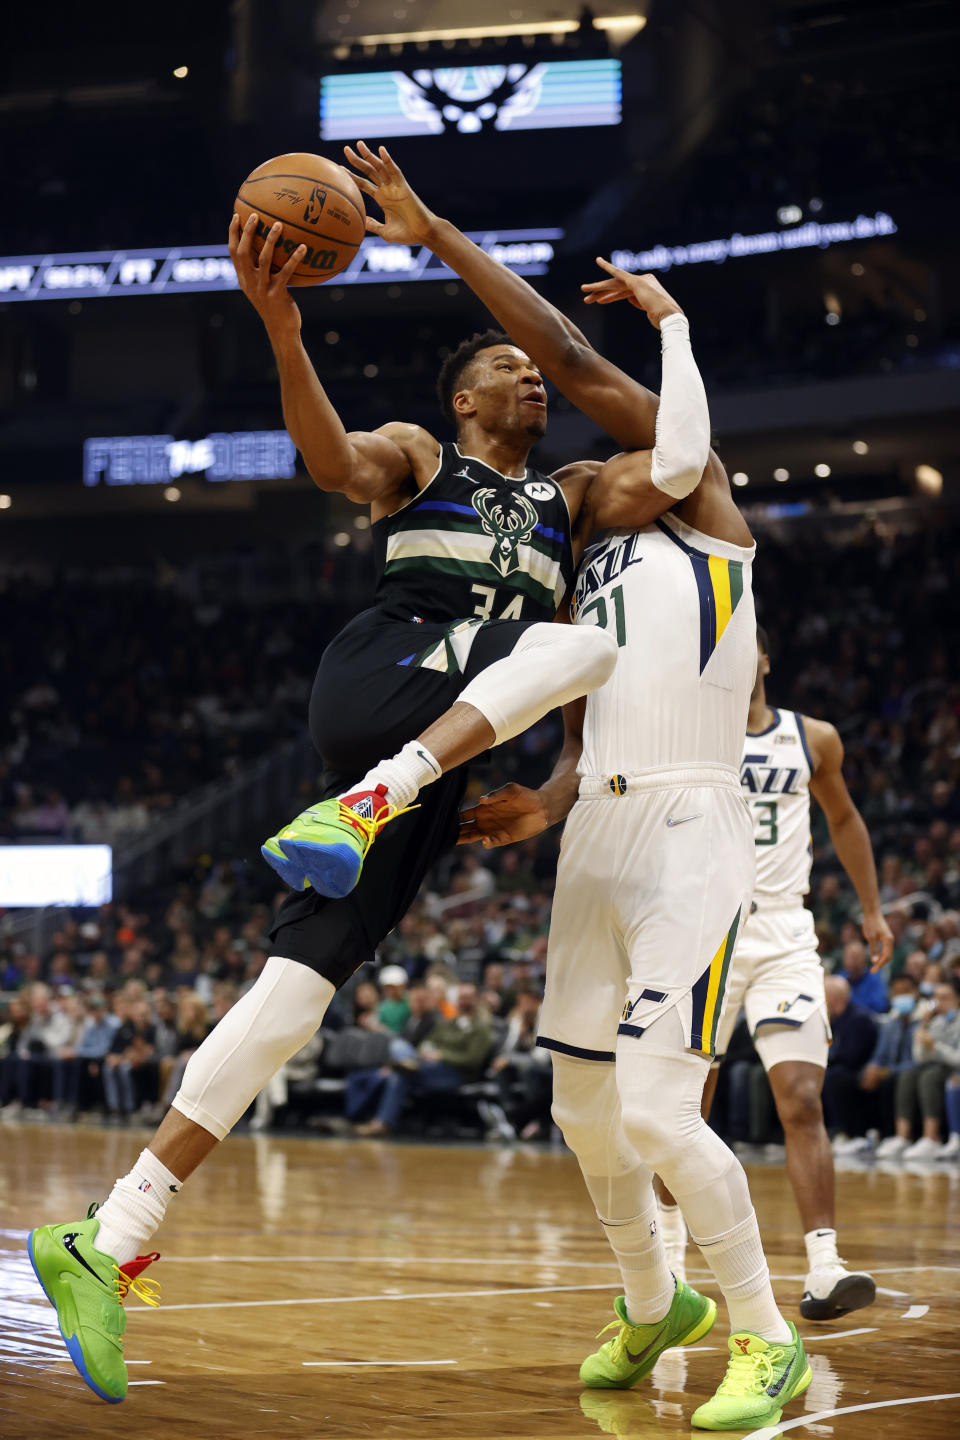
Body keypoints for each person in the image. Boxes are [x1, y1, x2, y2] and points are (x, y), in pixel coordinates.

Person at [28, 142, 703, 1405]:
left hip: (431, 770)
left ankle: (107, 1234)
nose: (531, 384)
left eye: (532, 374)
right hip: (380, 685)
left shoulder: (573, 498)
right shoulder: (420, 458)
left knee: (291, 1000)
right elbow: (332, 461)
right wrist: (282, 328)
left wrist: (554, 796)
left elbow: (667, 448)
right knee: (579, 639)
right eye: (507, 372)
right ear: (461, 402)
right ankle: (367, 796)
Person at [460, 269, 810, 1425]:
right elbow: (576, 739)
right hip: (600, 832)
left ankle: (765, 1338)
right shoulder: (576, 587)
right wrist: (547, 805)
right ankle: (653, 1301)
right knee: (579, 1108)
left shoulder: (702, 505)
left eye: (588, 462)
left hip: (691, 827)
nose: (576, 473)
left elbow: (564, 358)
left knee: (660, 1111)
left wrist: (667, 323)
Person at [655, 626, 893, 1320]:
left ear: (764, 656)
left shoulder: (812, 737)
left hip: (784, 930)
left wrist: (872, 911)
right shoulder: (688, 735)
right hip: (704, 931)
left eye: (746, 646)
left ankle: (825, 1266)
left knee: (800, 1098)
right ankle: (672, 1264)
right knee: (683, 1108)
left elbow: (844, 819)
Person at [828, 974, 919, 1151]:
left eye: (905, 991)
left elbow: (915, 1060)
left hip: (907, 1072)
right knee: (842, 1080)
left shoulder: (921, 1022)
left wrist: (886, 1071)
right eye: (896, 992)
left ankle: (893, 1136)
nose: (900, 996)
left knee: (890, 1082)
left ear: (916, 993)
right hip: (886, 1070)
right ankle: (853, 1134)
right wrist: (871, 1067)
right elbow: (878, 1054)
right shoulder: (891, 1023)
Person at [876, 976, 960, 1160]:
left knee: (929, 1076)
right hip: (941, 1066)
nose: (940, 1003)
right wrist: (924, 1027)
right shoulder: (937, 1021)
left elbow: (956, 1058)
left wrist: (935, 1047)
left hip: (953, 1069)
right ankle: (902, 1136)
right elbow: (920, 1058)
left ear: (957, 998)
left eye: (945, 998)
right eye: (937, 998)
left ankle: (932, 1137)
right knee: (908, 1074)